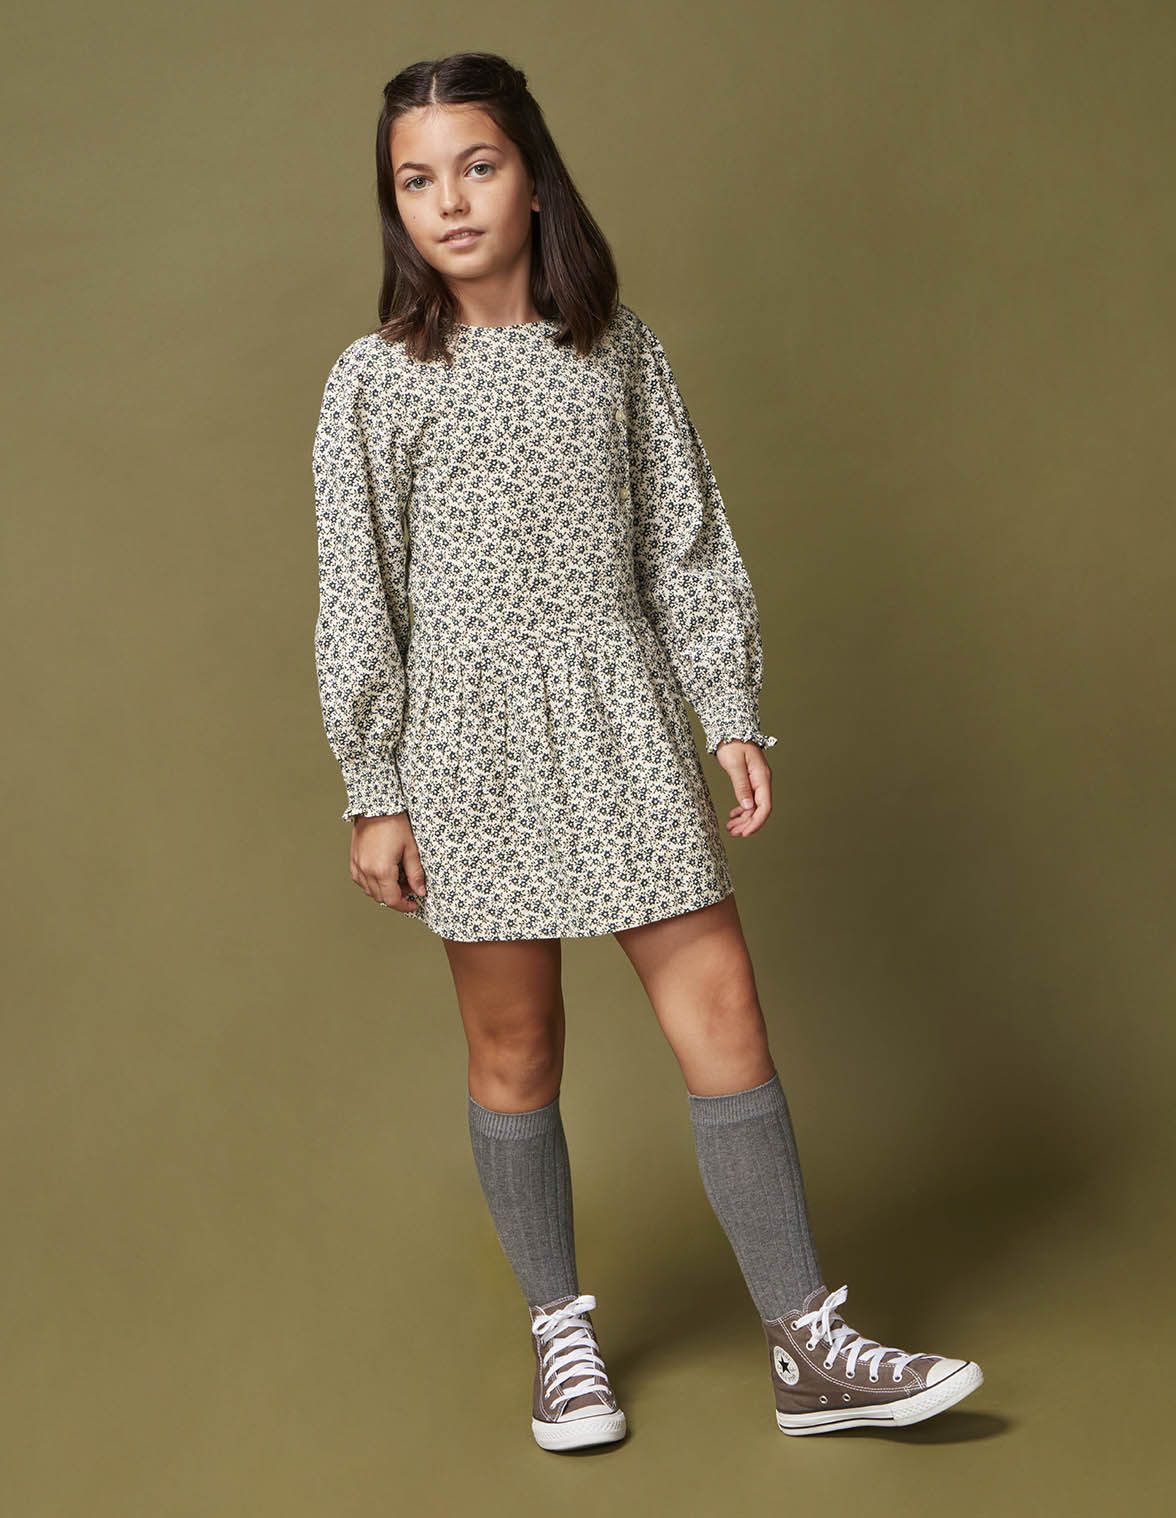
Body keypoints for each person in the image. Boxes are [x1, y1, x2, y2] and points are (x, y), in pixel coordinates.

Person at [311, 51, 984, 1452]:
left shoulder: (617, 351)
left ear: (533, 176)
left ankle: (805, 1340)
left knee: (722, 1005)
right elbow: (357, 595)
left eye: (477, 166)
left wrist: (726, 708)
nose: (450, 201)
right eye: (417, 180)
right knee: (517, 1042)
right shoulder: (374, 384)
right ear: (395, 205)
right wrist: (375, 787)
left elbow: (685, 541)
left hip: (620, 714)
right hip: (468, 745)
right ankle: (561, 1335)